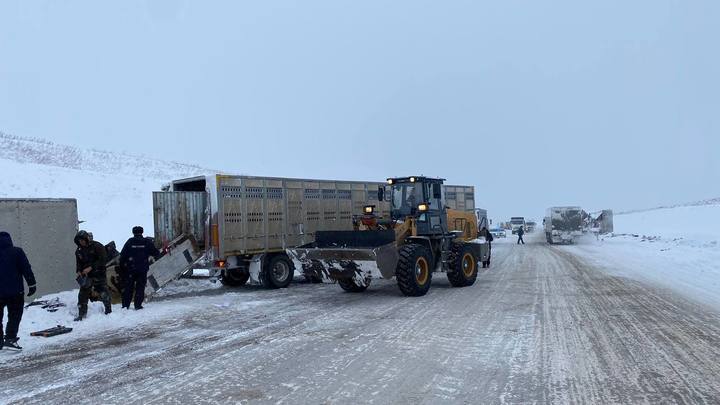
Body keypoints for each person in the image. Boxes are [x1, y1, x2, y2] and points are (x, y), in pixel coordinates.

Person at [0, 231, 36, 350]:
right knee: (15, 315)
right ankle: (10, 338)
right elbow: (26, 268)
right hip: (15, 292)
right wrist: (32, 284)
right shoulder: (17, 252)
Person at [119, 226, 160, 310]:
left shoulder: (130, 241)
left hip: (130, 269)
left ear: (133, 232)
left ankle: (125, 305)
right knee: (140, 288)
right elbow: (155, 253)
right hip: (142, 269)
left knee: (128, 288)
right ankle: (138, 305)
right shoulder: (146, 242)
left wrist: (123, 267)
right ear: (142, 232)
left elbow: (122, 255)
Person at [74, 230, 112, 321]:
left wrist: (91, 267)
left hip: (99, 273)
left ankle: (108, 310)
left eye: (83, 240)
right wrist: (79, 270)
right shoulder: (79, 250)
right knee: (83, 295)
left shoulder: (97, 246)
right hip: (86, 276)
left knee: (103, 292)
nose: (81, 242)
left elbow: (103, 259)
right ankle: (82, 314)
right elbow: (78, 262)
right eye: (79, 241)